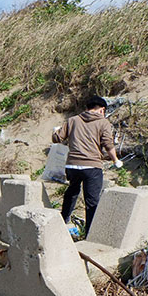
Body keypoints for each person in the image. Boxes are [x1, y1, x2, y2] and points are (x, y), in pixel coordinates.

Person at [53, 95, 122, 234]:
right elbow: (108, 144)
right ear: (102, 110)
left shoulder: (72, 120)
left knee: (72, 192)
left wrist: (55, 131)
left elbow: (57, 139)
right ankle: (90, 233)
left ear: (87, 108)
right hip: (92, 167)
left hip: (72, 166)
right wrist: (115, 160)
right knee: (91, 201)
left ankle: (63, 221)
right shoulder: (103, 123)